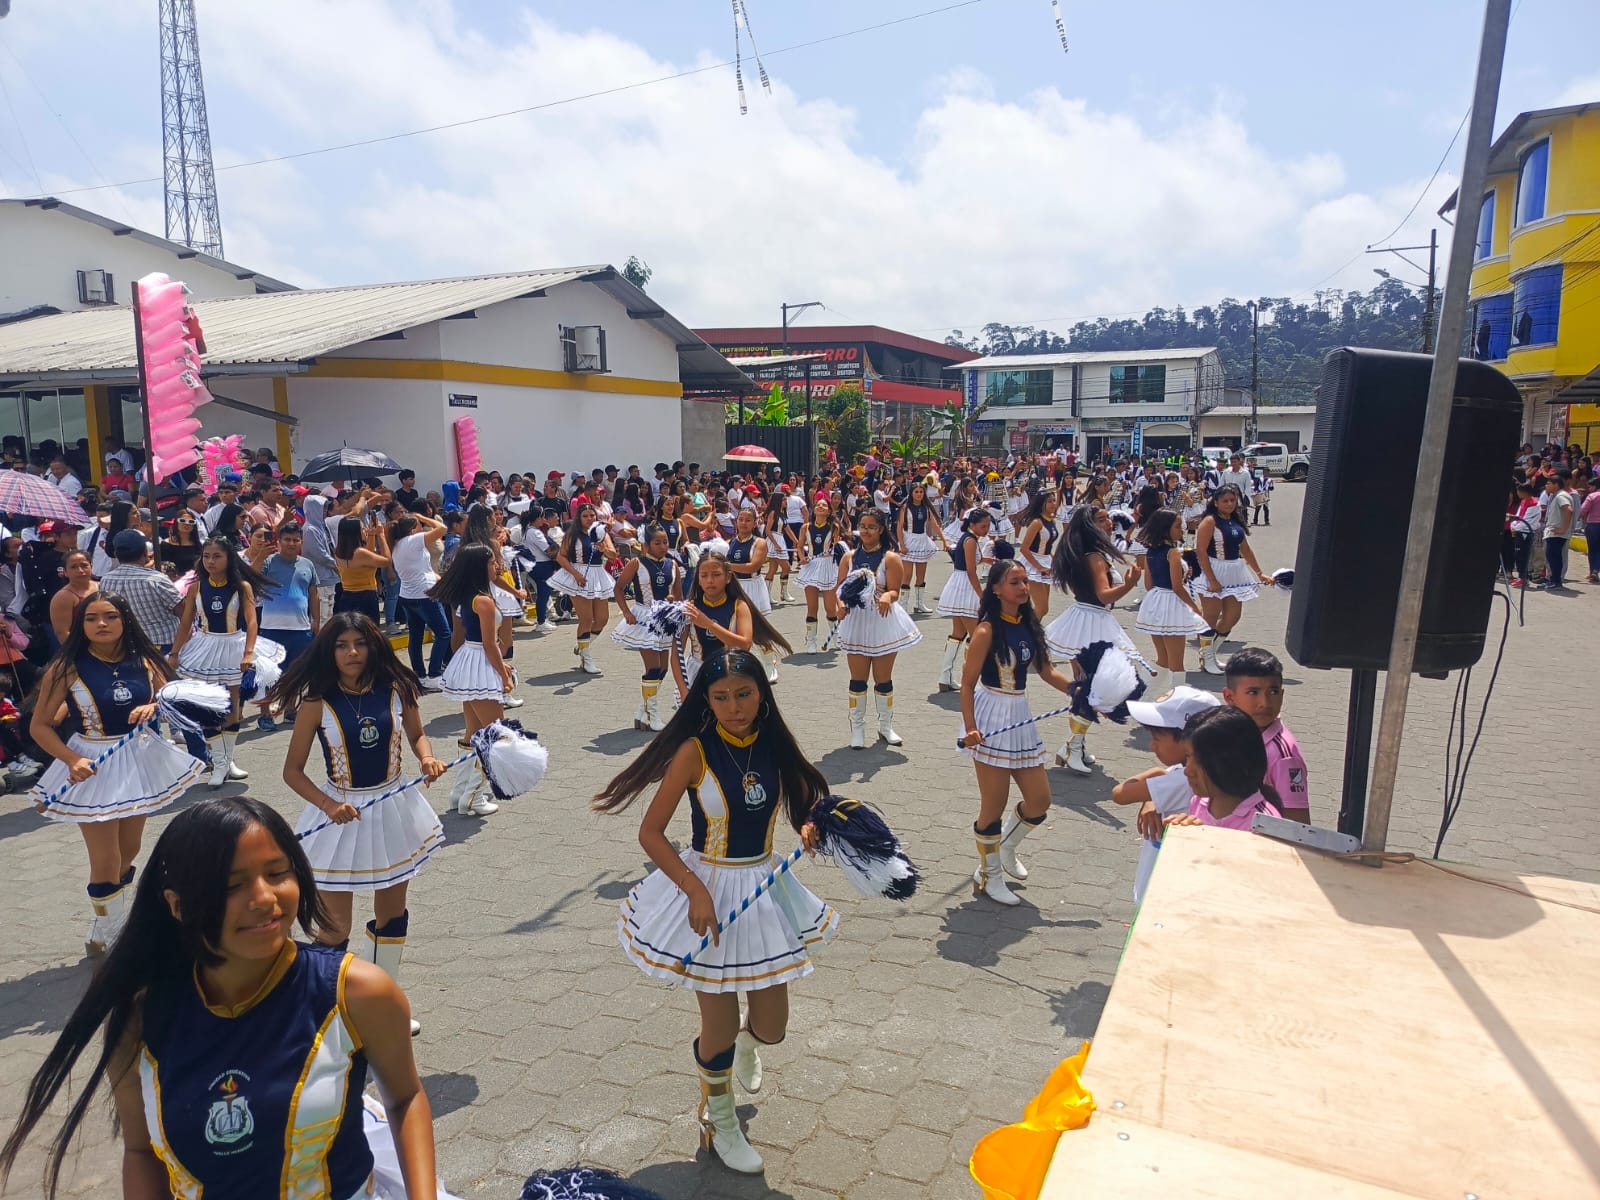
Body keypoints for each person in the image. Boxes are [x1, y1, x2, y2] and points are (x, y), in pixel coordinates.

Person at [0, 796, 442, 1199]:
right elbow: (140, 1151)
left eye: (277, 873)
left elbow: (404, 1098)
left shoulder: (357, 992)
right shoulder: (141, 1019)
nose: (264, 898)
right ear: (177, 905)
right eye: (231, 886)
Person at [594, 647, 835, 1177]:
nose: (734, 707)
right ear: (705, 700)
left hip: (764, 887)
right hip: (708, 892)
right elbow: (650, 833)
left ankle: (749, 1046)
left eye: (743, 694)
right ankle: (718, 1120)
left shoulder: (774, 742)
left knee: (772, 1026)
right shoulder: (694, 752)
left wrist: (810, 827)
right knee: (718, 1024)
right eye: (721, 697)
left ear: (762, 693)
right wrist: (693, 890)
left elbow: (803, 805)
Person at [276, 614, 446, 1037]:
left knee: (392, 915)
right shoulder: (316, 702)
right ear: (329, 652)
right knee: (335, 926)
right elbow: (292, 771)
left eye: (360, 643)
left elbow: (418, 735)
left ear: (373, 645)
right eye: (341, 645)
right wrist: (329, 804)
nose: (352, 652)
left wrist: (427, 757)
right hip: (339, 814)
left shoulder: (398, 688)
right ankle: (326, 1010)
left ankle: (381, 1004)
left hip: (393, 808)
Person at [26, 592, 205, 955]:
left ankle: (101, 926)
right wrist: (71, 760)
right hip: (91, 763)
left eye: (110, 616)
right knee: (105, 859)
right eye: (91, 618)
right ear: (81, 625)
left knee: (129, 850)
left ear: (125, 620)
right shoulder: (67, 666)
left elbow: (178, 700)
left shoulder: (146, 659)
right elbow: (39, 727)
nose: (101, 624)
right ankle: (119, 940)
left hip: (137, 759)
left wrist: (154, 706)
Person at [958, 556, 1077, 905]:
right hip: (991, 717)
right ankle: (989, 876)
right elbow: (966, 684)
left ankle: (1006, 847)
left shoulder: (1028, 624)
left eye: (1025, 581)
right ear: (996, 589)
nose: (1024, 588)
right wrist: (970, 727)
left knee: (1040, 800)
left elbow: (1046, 670)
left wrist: (1078, 692)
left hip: (1019, 712)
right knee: (993, 805)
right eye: (1015, 582)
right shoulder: (986, 631)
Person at [1045, 505, 1145, 774]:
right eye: (1101, 520)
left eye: (1108, 518)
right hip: (1093, 623)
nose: (1109, 523)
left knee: (1089, 686)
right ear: (1090, 526)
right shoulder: (1094, 557)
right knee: (1094, 687)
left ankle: (1074, 745)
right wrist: (1129, 585)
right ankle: (1073, 746)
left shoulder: (1087, 553)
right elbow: (1104, 595)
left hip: (1087, 621)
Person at [169, 537, 273, 786]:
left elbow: (251, 622)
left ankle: (228, 760)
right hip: (205, 646)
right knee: (208, 705)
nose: (211, 561)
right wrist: (174, 653)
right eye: (206, 556)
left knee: (232, 704)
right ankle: (219, 761)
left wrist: (248, 652)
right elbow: (185, 623)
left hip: (233, 645)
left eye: (217, 556)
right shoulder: (196, 587)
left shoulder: (242, 587)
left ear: (228, 558)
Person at [1115, 686, 1221, 905]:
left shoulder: (1183, 779)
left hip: (1161, 893)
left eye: (1157, 738)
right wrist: (1151, 798)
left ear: (1188, 740)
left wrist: (1156, 774)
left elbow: (1120, 793)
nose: (1152, 745)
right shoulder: (1189, 771)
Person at [429, 543, 511, 817]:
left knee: (472, 731)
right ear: (480, 566)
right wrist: (504, 675)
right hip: (480, 662)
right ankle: (473, 796)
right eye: (492, 562)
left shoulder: (466, 597)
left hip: (469, 659)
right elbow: (490, 644)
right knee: (494, 734)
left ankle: (461, 791)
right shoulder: (483, 600)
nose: (496, 566)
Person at [833, 509, 920, 749]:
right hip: (857, 623)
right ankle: (857, 729)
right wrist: (840, 606)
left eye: (871, 527)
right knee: (857, 679)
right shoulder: (849, 557)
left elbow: (895, 590)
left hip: (882, 621)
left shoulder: (890, 558)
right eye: (863, 526)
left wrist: (887, 597)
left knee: (883, 679)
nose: (866, 531)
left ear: (881, 529)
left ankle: (885, 726)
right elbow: (839, 589)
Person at [1222, 647, 1310, 824]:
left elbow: (1297, 824)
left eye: (1273, 692)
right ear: (1229, 697)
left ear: (1282, 694)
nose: (1265, 703)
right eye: (1253, 692)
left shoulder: (1283, 755)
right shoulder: (1226, 731)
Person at [1191, 484, 1271, 673]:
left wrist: (1260, 572)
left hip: (1235, 571)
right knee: (1211, 615)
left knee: (1232, 617)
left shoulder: (1236, 520)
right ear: (1216, 503)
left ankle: (1210, 653)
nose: (1229, 504)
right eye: (1225, 501)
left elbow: (1245, 549)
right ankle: (1207, 659)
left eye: (1232, 500)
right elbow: (1200, 551)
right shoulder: (1209, 521)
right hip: (1213, 569)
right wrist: (1212, 580)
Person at [611, 523, 682, 733]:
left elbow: (678, 594)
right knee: (653, 668)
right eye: (657, 543)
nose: (663, 546)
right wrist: (626, 612)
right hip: (644, 617)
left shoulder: (672, 564)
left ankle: (643, 711)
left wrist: (675, 603)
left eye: (665, 542)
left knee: (664, 668)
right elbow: (618, 588)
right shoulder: (636, 563)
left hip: (665, 617)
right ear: (647, 544)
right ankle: (652, 715)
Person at [1166, 706, 1283, 830]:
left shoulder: (1264, 825)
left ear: (1232, 763)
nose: (1188, 771)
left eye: (1200, 761)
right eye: (1188, 756)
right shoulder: (1199, 802)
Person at [1133, 509, 1207, 695]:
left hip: (1155, 602)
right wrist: (1195, 608)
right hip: (1172, 604)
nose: (1182, 530)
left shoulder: (1150, 551)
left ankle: (1143, 696)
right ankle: (1177, 701)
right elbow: (1177, 587)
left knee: (1163, 659)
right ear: (1165, 529)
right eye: (1177, 526)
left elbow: (1148, 585)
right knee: (1176, 662)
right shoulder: (1172, 553)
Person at [551, 503, 617, 675]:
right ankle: (586, 659)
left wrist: (604, 549)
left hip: (598, 575)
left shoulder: (601, 533)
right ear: (579, 518)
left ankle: (582, 645)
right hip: (579, 574)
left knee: (602, 619)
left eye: (592, 515)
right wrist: (576, 574)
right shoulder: (572, 535)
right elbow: (561, 557)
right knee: (586, 619)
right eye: (585, 516)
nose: (589, 519)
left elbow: (613, 555)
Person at [389, 511, 452, 687]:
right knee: (444, 633)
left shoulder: (398, 544)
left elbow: (420, 567)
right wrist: (422, 517)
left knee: (416, 637)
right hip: (423, 595)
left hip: (408, 595)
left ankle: (419, 675)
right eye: (419, 525)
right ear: (412, 529)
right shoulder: (414, 540)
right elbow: (442, 528)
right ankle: (434, 674)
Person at [936, 507, 993, 692]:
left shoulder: (969, 538)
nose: (986, 529)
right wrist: (981, 595)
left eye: (988, 526)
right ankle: (970, 679)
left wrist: (984, 560)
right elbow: (970, 571)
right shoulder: (970, 540)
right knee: (976, 636)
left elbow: (967, 561)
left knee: (958, 633)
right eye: (983, 526)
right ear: (972, 524)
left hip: (959, 584)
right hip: (965, 587)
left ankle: (945, 677)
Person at [725, 508, 779, 683]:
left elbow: (752, 566)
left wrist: (726, 566)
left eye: (748, 520)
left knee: (758, 631)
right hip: (734, 587)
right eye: (740, 519)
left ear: (755, 523)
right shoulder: (730, 542)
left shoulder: (759, 543)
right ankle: (738, 667)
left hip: (752, 586)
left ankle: (770, 665)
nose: (743, 523)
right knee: (733, 629)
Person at [795, 497, 846, 654]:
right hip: (811, 566)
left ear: (829, 511)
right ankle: (811, 641)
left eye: (824, 505)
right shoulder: (805, 527)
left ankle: (836, 636)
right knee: (812, 607)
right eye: (818, 505)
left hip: (828, 566)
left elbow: (838, 546)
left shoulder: (834, 527)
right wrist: (802, 557)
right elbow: (799, 547)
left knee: (830, 608)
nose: (821, 507)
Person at [896, 481, 946, 613]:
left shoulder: (926, 508)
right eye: (916, 492)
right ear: (911, 493)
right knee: (907, 575)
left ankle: (919, 604)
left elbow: (934, 525)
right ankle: (903, 605)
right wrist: (902, 544)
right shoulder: (905, 507)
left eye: (921, 492)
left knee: (921, 575)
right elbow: (899, 527)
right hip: (909, 540)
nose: (919, 494)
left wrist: (944, 541)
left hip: (922, 540)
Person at [1016, 488, 1062, 618]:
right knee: (1041, 608)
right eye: (1049, 501)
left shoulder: (1051, 521)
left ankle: (1030, 628)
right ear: (1041, 504)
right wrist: (1039, 567)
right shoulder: (1037, 523)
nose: (1053, 504)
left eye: (1054, 500)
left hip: (1045, 561)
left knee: (1043, 609)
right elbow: (1024, 549)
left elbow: (1047, 546)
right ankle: (1030, 629)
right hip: (1032, 564)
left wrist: (1055, 560)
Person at [334, 515, 390, 622]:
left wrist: (372, 535)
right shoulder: (360, 553)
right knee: (369, 630)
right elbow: (387, 561)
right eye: (363, 529)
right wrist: (381, 534)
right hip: (365, 596)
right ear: (355, 533)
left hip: (346, 596)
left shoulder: (339, 551)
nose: (365, 530)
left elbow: (368, 555)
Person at [48, 549, 99, 645]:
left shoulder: (103, 586)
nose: (80, 570)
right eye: (74, 567)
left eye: (84, 565)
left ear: (91, 567)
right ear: (65, 572)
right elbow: (62, 633)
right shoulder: (63, 597)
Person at [1541, 471, 1574, 590]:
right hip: (1553, 532)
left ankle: (1556, 582)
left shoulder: (1561, 496)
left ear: (1556, 485)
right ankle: (1553, 580)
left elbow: (1568, 510)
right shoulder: (1556, 496)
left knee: (1554, 558)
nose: (1546, 486)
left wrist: (1563, 529)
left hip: (1557, 533)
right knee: (1551, 557)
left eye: (1548, 483)